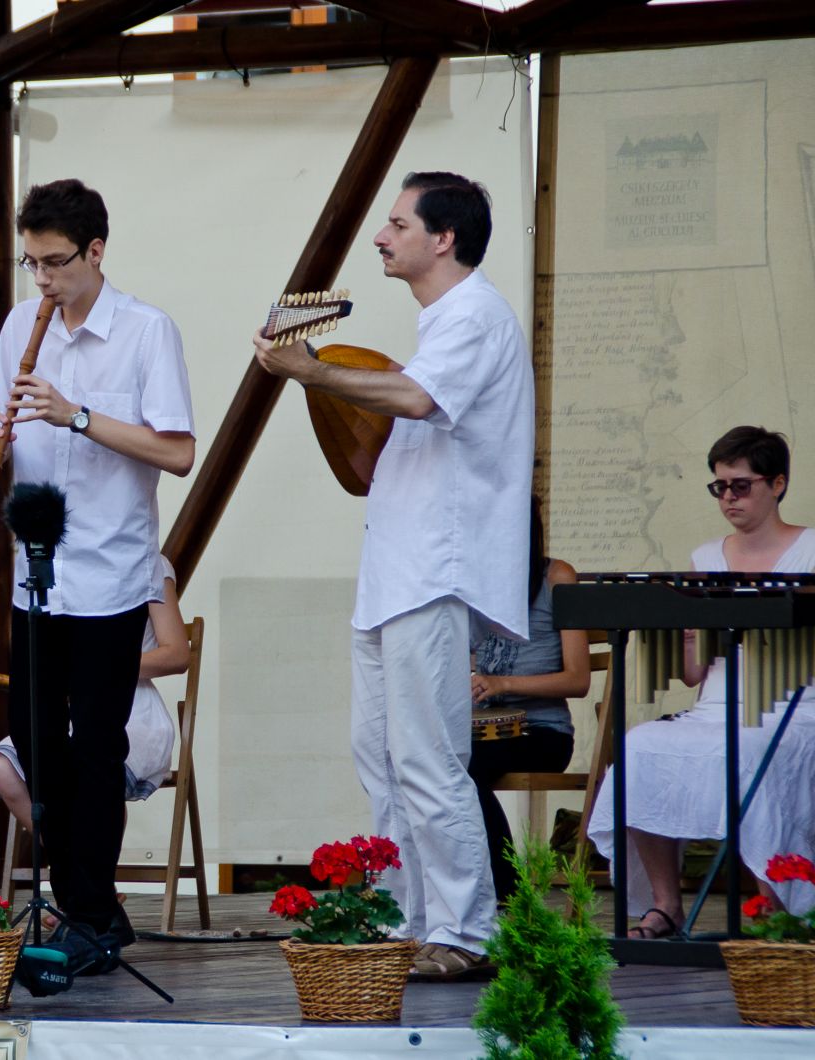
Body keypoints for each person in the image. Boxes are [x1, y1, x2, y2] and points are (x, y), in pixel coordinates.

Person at [253, 171, 534, 981]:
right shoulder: (439, 323)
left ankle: (466, 930)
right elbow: (378, 456)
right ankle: (409, 919)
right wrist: (330, 397)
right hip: (396, 572)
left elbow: (414, 399)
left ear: (443, 238)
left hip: (433, 571)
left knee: (427, 758)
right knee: (379, 755)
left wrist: (316, 373)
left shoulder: (475, 316)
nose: (382, 236)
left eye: (398, 222)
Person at [0, 178, 195, 972]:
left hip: (106, 572)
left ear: (96, 251)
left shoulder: (145, 332)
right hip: (36, 573)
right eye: (32, 264)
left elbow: (176, 451)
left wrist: (75, 415)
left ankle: (90, 910)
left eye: (56, 263)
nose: (43, 281)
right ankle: (86, 908)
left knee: (97, 747)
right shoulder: (19, 326)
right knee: (36, 742)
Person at [589, 426, 815, 937]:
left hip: (792, 706)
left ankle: (775, 911)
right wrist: (690, 636)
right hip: (715, 707)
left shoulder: (811, 550)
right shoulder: (705, 559)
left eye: (741, 485)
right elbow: (694, 673)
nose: (729, 498)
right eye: (720, 488)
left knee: (752, 751)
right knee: (640, 746)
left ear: (777, 484)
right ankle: (666, 904)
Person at [0, 552, 186, 833]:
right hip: (67, 709)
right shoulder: (57, 566)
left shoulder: (147, 562)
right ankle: (69, 862)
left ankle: (91, 870)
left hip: (132, 709)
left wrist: (100, 667)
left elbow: (178, 654)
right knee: (2, 767)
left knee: (91, 768)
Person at [467, 496, 590, 901]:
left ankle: (506, 895)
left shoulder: (558, 577)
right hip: (484, 731)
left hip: (542, 733)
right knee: (430, 761)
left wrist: (501, 685)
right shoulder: (473, 581)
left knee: (459, 769)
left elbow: (578, 678)